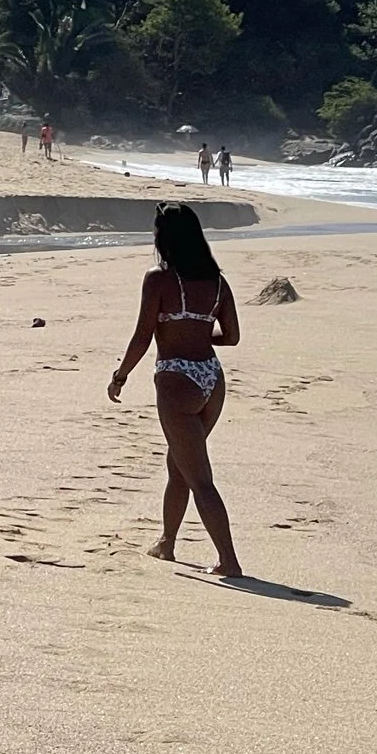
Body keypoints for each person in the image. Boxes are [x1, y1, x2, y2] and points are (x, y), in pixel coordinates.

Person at [109, 203, 243, 578]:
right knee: (179, 464)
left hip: (175, 379)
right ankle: (167, 542)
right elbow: (231, 336)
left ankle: (229, 562)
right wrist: (198, 332)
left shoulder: (158, 279)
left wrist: (120, 376)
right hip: (211, 379)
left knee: (200, 478)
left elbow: (142, 335)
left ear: (164, 238)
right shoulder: (217, 281)